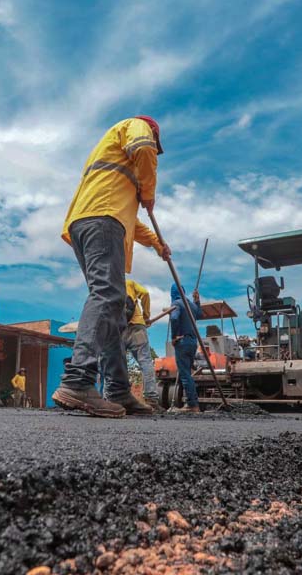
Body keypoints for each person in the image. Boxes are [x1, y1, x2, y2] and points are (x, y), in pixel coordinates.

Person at [52, 116, 171, 418]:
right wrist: (149, 193)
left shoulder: (114, 181)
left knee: (114, 310)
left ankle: (118, 390)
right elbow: (143, 147)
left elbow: (134, 224)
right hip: (102, 222)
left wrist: (158, 245)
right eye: (157, 147)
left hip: (90, 222)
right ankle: (78, 380)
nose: (154, 152)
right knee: (107, 295)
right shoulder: (135, 126)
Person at [124, 278, 160, 411]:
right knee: (145, 362)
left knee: (116, 363)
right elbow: (145, 293)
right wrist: (146, 316)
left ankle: (113, 397)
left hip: (118, 328)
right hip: (137, 326)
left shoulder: (108, 285)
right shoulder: (129, 283)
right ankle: (151, 398)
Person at [169, 284, 202, 413]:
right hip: (193, 342)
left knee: (185, 374)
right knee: (188, 373)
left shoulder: (176, 303)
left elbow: (174, 318)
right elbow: (199, 315)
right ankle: (192, 403)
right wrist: (197, 301)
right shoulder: (192, 305)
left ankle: (192, 404)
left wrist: (174, 336)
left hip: (182, 341)